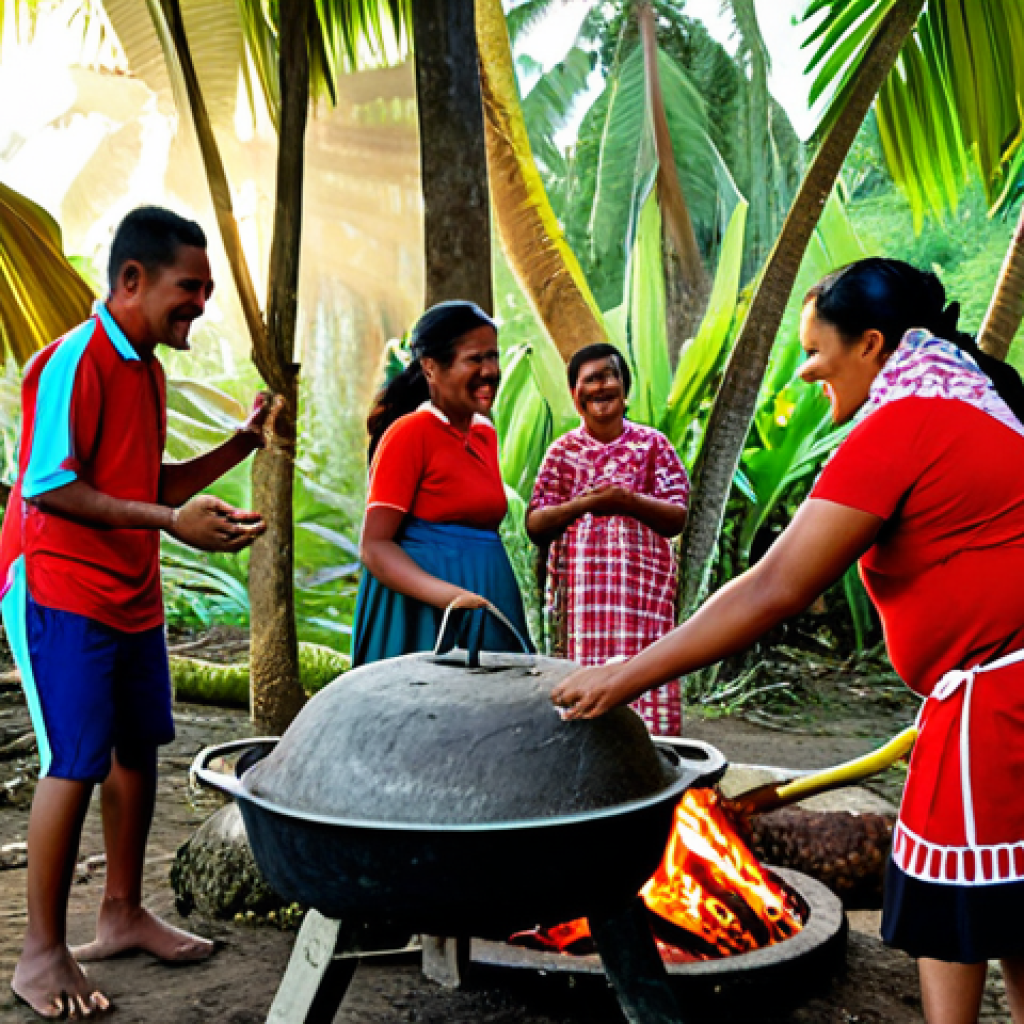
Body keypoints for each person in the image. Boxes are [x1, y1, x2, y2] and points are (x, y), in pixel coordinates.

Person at [550, 257, 1024, 1024]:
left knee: (958, 918)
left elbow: (776, 586)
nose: (805, 371)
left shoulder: (906, 424)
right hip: (993, 697)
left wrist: (625, 678)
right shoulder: (974, 405)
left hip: (996, 713)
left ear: (871, 344)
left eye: (814, 350)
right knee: (1012, 915)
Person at [1, 206, 276, 1018]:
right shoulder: (73, 361)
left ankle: (121, 912)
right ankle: (39, 956)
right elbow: (50, 484)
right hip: (58, 588)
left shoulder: (146, 368)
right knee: (75, 759)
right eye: (189, 290)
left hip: (128, 592)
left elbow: (141, 487)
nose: (200, 305)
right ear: (132, 280)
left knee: (136, 748)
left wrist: (238, 447)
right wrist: (171, 527)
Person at [352, 300, 532, 665]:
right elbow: (375, 546)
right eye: (475, 359)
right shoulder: (408, 434)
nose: (491, 371)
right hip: (420, 614)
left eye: (493, 357)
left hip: (487, 600)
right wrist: (449, 597)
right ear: (431, 368)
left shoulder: (485, 434)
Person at [525, 342, 689, 735]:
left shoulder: (652, 445)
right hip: (582, 602)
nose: (602, 386)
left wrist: (626, 500)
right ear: (575, 393)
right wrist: (584, 504)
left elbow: (676, 515)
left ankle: (656, 759)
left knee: (645, 673)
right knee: (584, 687)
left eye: (610, 376)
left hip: (641, 601)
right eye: (591, 379)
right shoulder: (563, 453)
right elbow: (536, 522)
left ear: (624, 387)